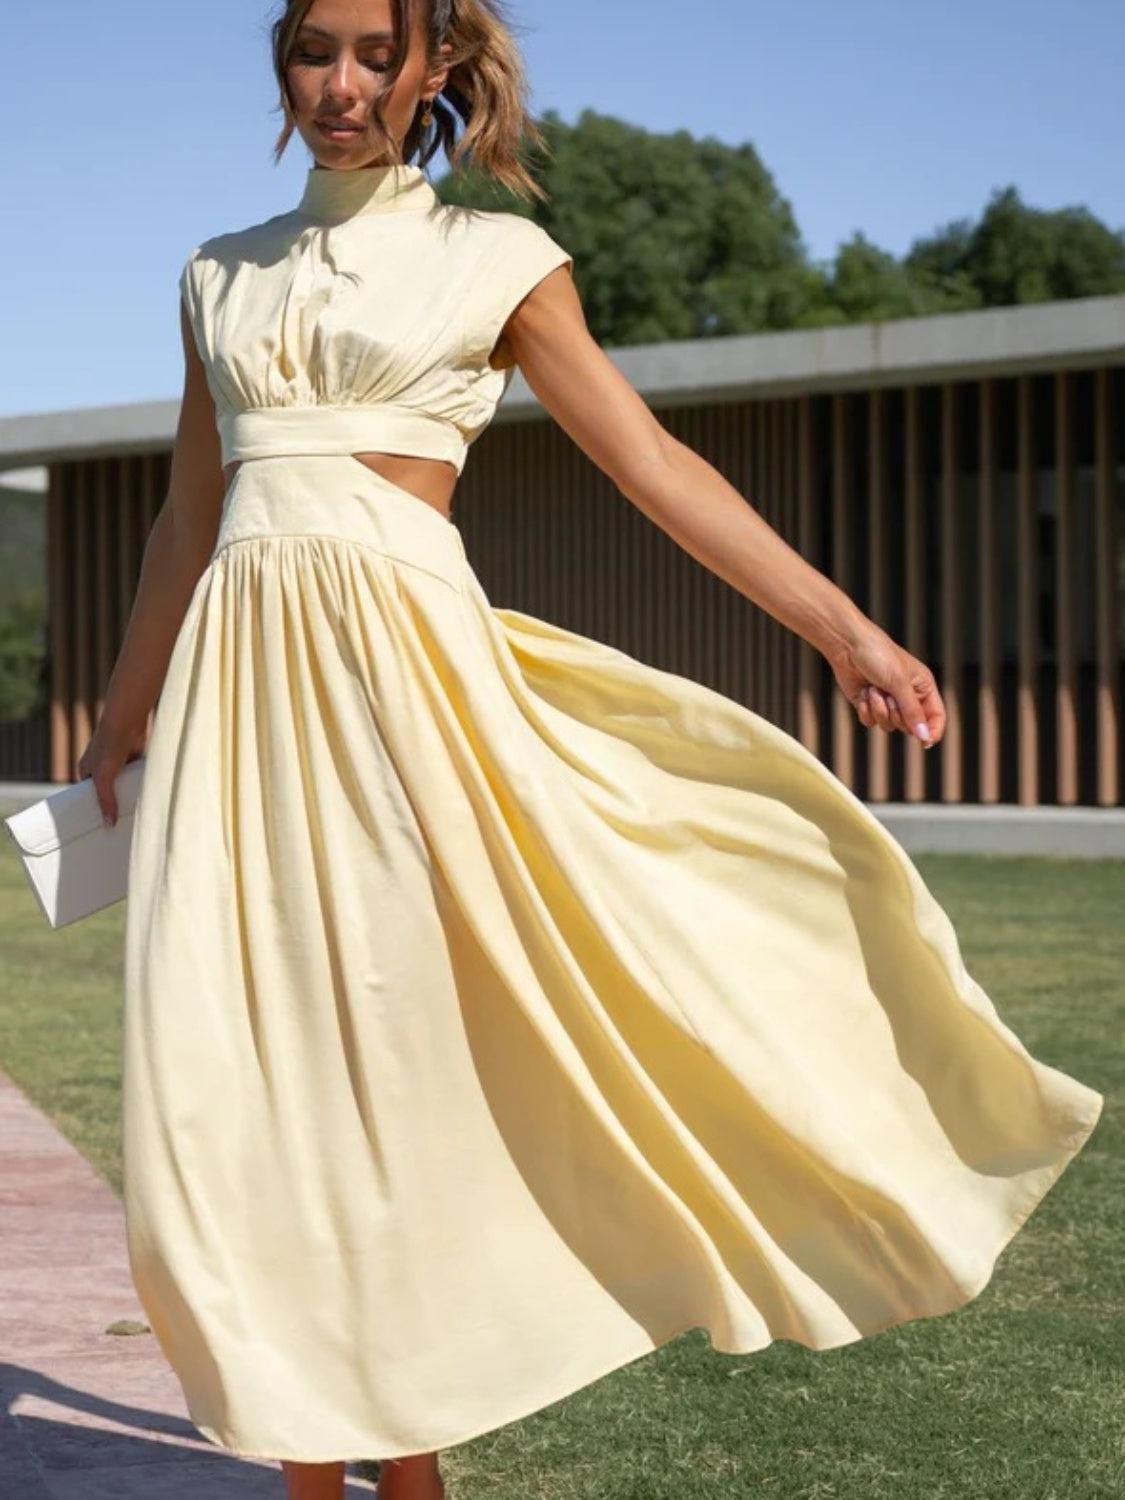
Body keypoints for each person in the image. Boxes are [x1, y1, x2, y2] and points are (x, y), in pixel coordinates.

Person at [76, 2, 1104, 1498]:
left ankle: (405, 1457)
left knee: (401, 1075)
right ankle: (325, 1459)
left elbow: (649, 461)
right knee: (246, 1080)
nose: (342, 84)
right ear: (280, 63)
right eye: (313, 51)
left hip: (412, 700)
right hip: (245, 704)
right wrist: (124, 711)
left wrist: (846, 632)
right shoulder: (215, 273)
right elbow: (188, 511)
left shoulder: (496, 257)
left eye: (377, 54)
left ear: (434, 68)